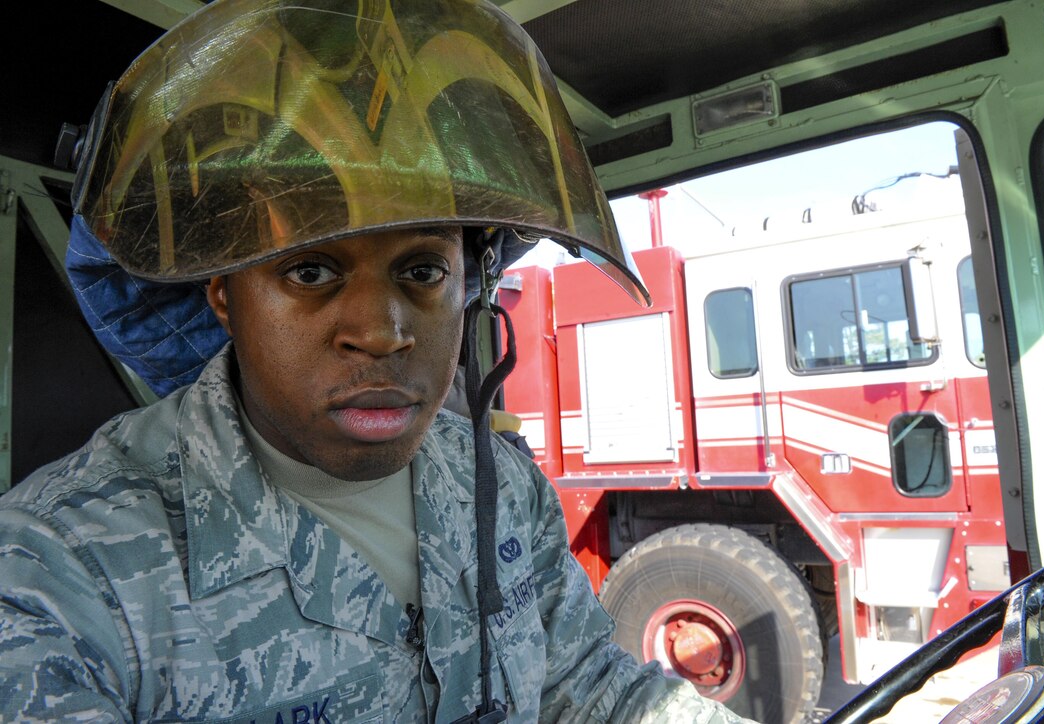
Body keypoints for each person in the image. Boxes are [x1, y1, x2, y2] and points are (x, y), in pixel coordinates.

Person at [0, 1, 755, 721]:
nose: (384, 332)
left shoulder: (500, 490)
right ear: (223, 295)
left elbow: (585, 689)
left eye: (422, 271)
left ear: (471, 286)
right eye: (310, 271)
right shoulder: (61, 568)